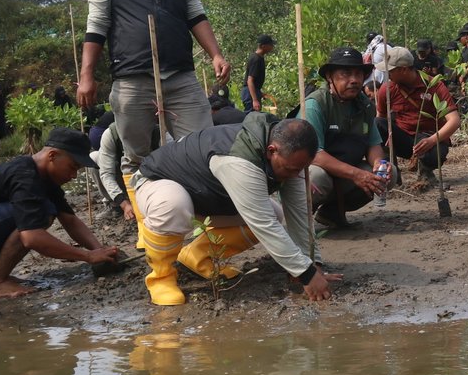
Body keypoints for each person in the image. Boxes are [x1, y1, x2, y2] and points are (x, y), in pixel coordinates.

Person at [77, 0, 231, 175]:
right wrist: (86, 76)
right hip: (131, 79)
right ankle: (142, 215)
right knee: (137, 156)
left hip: (180, 76)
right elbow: (96, 26)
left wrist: (216, 54)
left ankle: (196, 213)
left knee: (203, 146)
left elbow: (195, 15)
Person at [132, 115, 338, 305]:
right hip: (156, 185)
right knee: (173, 205)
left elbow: (299, 213)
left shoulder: (289, 159)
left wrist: (312, 263)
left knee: (275, 212)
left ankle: (195, 256)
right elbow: (263, 224)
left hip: (204, 197)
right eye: (291, 170)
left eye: (301, 169)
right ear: (272, 150)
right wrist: (306, 274)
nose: (295, 175)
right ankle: (161, 277)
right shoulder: (240, 159)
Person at [0, 127, 118, 300]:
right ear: (52, 156)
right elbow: (32, 237)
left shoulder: (46, 180)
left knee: (44, 209)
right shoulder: (24, 175)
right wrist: (87, 257)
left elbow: (70, 220)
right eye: (73, 167)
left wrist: (99, 250)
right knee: (41, 213)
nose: (73, 175)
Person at [303, 47, 390, 226]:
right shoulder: (316, 105)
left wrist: (379, 165)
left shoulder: (364, 105)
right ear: (329, 77)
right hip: (317, 171)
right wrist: (357, 174)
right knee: (316, 177)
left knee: (388, 175)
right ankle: (301, 218)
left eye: (358, 74)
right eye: (345, 74)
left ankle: (332, 213)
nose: (354, 80)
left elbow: (373, 144)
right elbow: (315, 154)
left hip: (345, 174)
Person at [375, 46, 461, 183]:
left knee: (433, 154)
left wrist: (432, 140)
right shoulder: (387, 89)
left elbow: (454, 120)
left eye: (390, 71)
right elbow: (381, 118)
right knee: (377, 124)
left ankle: (426, 171)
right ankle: (391, 175)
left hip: (429, 138)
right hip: (404, 138)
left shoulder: (434, 85)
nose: (388, 74)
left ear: (403, 70)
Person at [92, 120, 134, 221]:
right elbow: (106, 173)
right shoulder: (112, 133)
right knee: (94, 157)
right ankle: (115, 205)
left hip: (147, 178)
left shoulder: (155, 129)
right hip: (123, 176)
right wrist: (123, 203)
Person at [240, 34, 276, 112]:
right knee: (251, 117)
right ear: (263, 46)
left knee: (255, 117)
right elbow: (250, 80)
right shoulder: (256, 59)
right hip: (249, 92)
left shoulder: (260, 58)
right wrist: (255, 100)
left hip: (253, 91)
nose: (272, 47)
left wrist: (260, 93)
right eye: (270, 45)